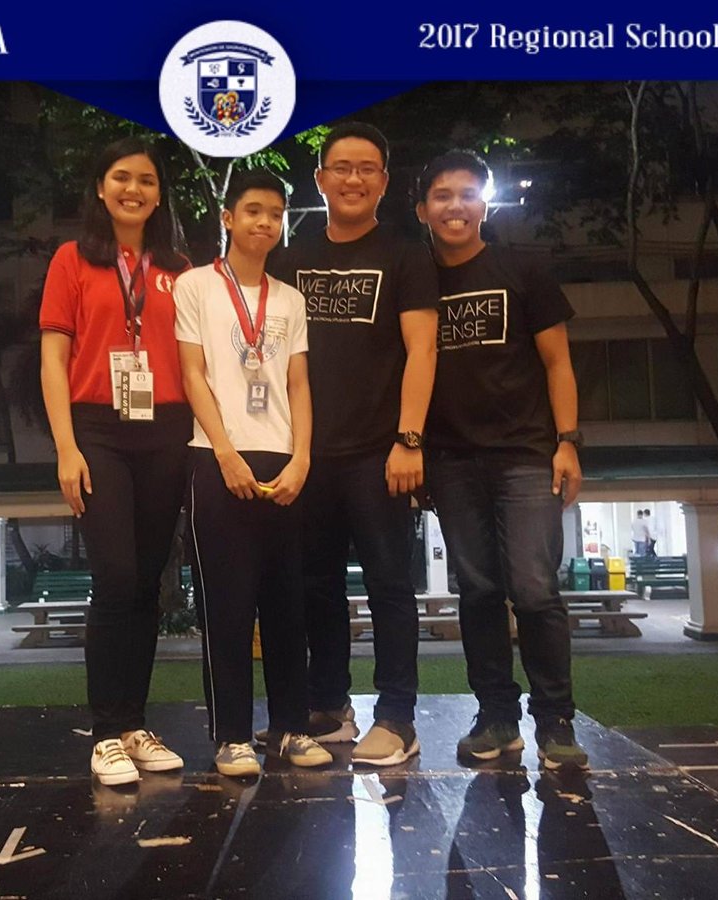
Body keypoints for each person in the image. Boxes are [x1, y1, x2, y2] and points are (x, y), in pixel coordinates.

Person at [269, 123, 440, 766]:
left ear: (384, 182)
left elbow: (423, 350)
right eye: (341, 167)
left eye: (367, 168)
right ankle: (329, 706)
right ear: (321, 180)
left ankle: (396, 717)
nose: (353, 179)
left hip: (379, 452)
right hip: (307, 454)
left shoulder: (406, 257)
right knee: (316, 586)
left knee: (390, 585)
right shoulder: (290, 260)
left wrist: (409, 439)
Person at [415, 150, 589, 770]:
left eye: (467, 194)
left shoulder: (523, 269)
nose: (455, 206)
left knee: (535, 590)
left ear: (484, 205)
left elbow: (558, 363)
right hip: (451, 460)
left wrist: (568, 441)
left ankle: (556, 721)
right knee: (479, 591)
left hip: (525, 455)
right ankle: (496, 716)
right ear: (422, 210)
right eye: (442, 195)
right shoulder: (416, 281)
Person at [39, 138, 193, 786]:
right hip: (98, 429)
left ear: (159, 195)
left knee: (148, 583)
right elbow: (54, 358)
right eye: (122, 178)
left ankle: (134, 725)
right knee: (116, 576)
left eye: (147, 180)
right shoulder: (72, 260)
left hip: (167, 428)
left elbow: (196, 360)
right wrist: (66, 447)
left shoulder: (180, 267)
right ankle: (105, 734)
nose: (134, 189)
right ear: (101, 189)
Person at [175, 169, 331, 777]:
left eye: (275, 213)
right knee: (229, 607)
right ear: (228, 218)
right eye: (253, 211)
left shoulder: (289, 299)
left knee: (288, 605)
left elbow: (300, 383)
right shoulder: (195, 286)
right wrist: (224, 452)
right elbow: (193, 374)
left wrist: (303, 458)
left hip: (284, 464)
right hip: (217, 458)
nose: (265, 222)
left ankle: (290, 728)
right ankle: (233, 737)